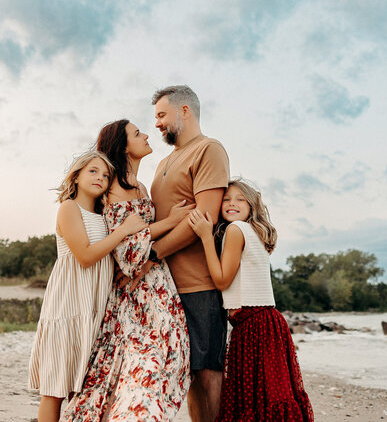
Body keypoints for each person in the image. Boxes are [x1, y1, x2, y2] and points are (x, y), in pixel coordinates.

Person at [62, 120, 192, 420]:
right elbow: (129, 254)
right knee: (141, 371)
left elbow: (141, 236)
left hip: (160, 288)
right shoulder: (113, 190)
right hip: (136, 297)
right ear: (123, 147)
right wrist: (170, 221)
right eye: (137, 133)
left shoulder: (141, 186)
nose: (146, 135)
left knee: (170, 361)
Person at [28, 151, 146, 422]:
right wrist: (123, 230)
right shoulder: (69, 208)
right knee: (55, 388)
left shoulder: (103, 215)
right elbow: (84, 256)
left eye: (105, 175)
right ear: (77, 175)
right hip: (69, 306)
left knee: (82, 388)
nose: (100, 178)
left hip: (95, 308)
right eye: (93, 171)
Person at [188, 178, 314, 421]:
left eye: (240, 199)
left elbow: (223, 280)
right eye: (226, 199)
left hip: (255, 325)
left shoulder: (236, 230)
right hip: (265, 323)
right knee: (269, 396)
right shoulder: (253, 231)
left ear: (251, 206)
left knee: (257, 399)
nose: (231, 203)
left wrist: (205, 237)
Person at [148, 85, 230, 422]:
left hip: (200, 285)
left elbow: (205, 218)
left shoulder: (209, 150)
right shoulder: (163, 162)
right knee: (186, 374)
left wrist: (153, 255)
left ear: (185, 110)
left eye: (161, 115)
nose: (156, 124)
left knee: (207, 373)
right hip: (164, 287)